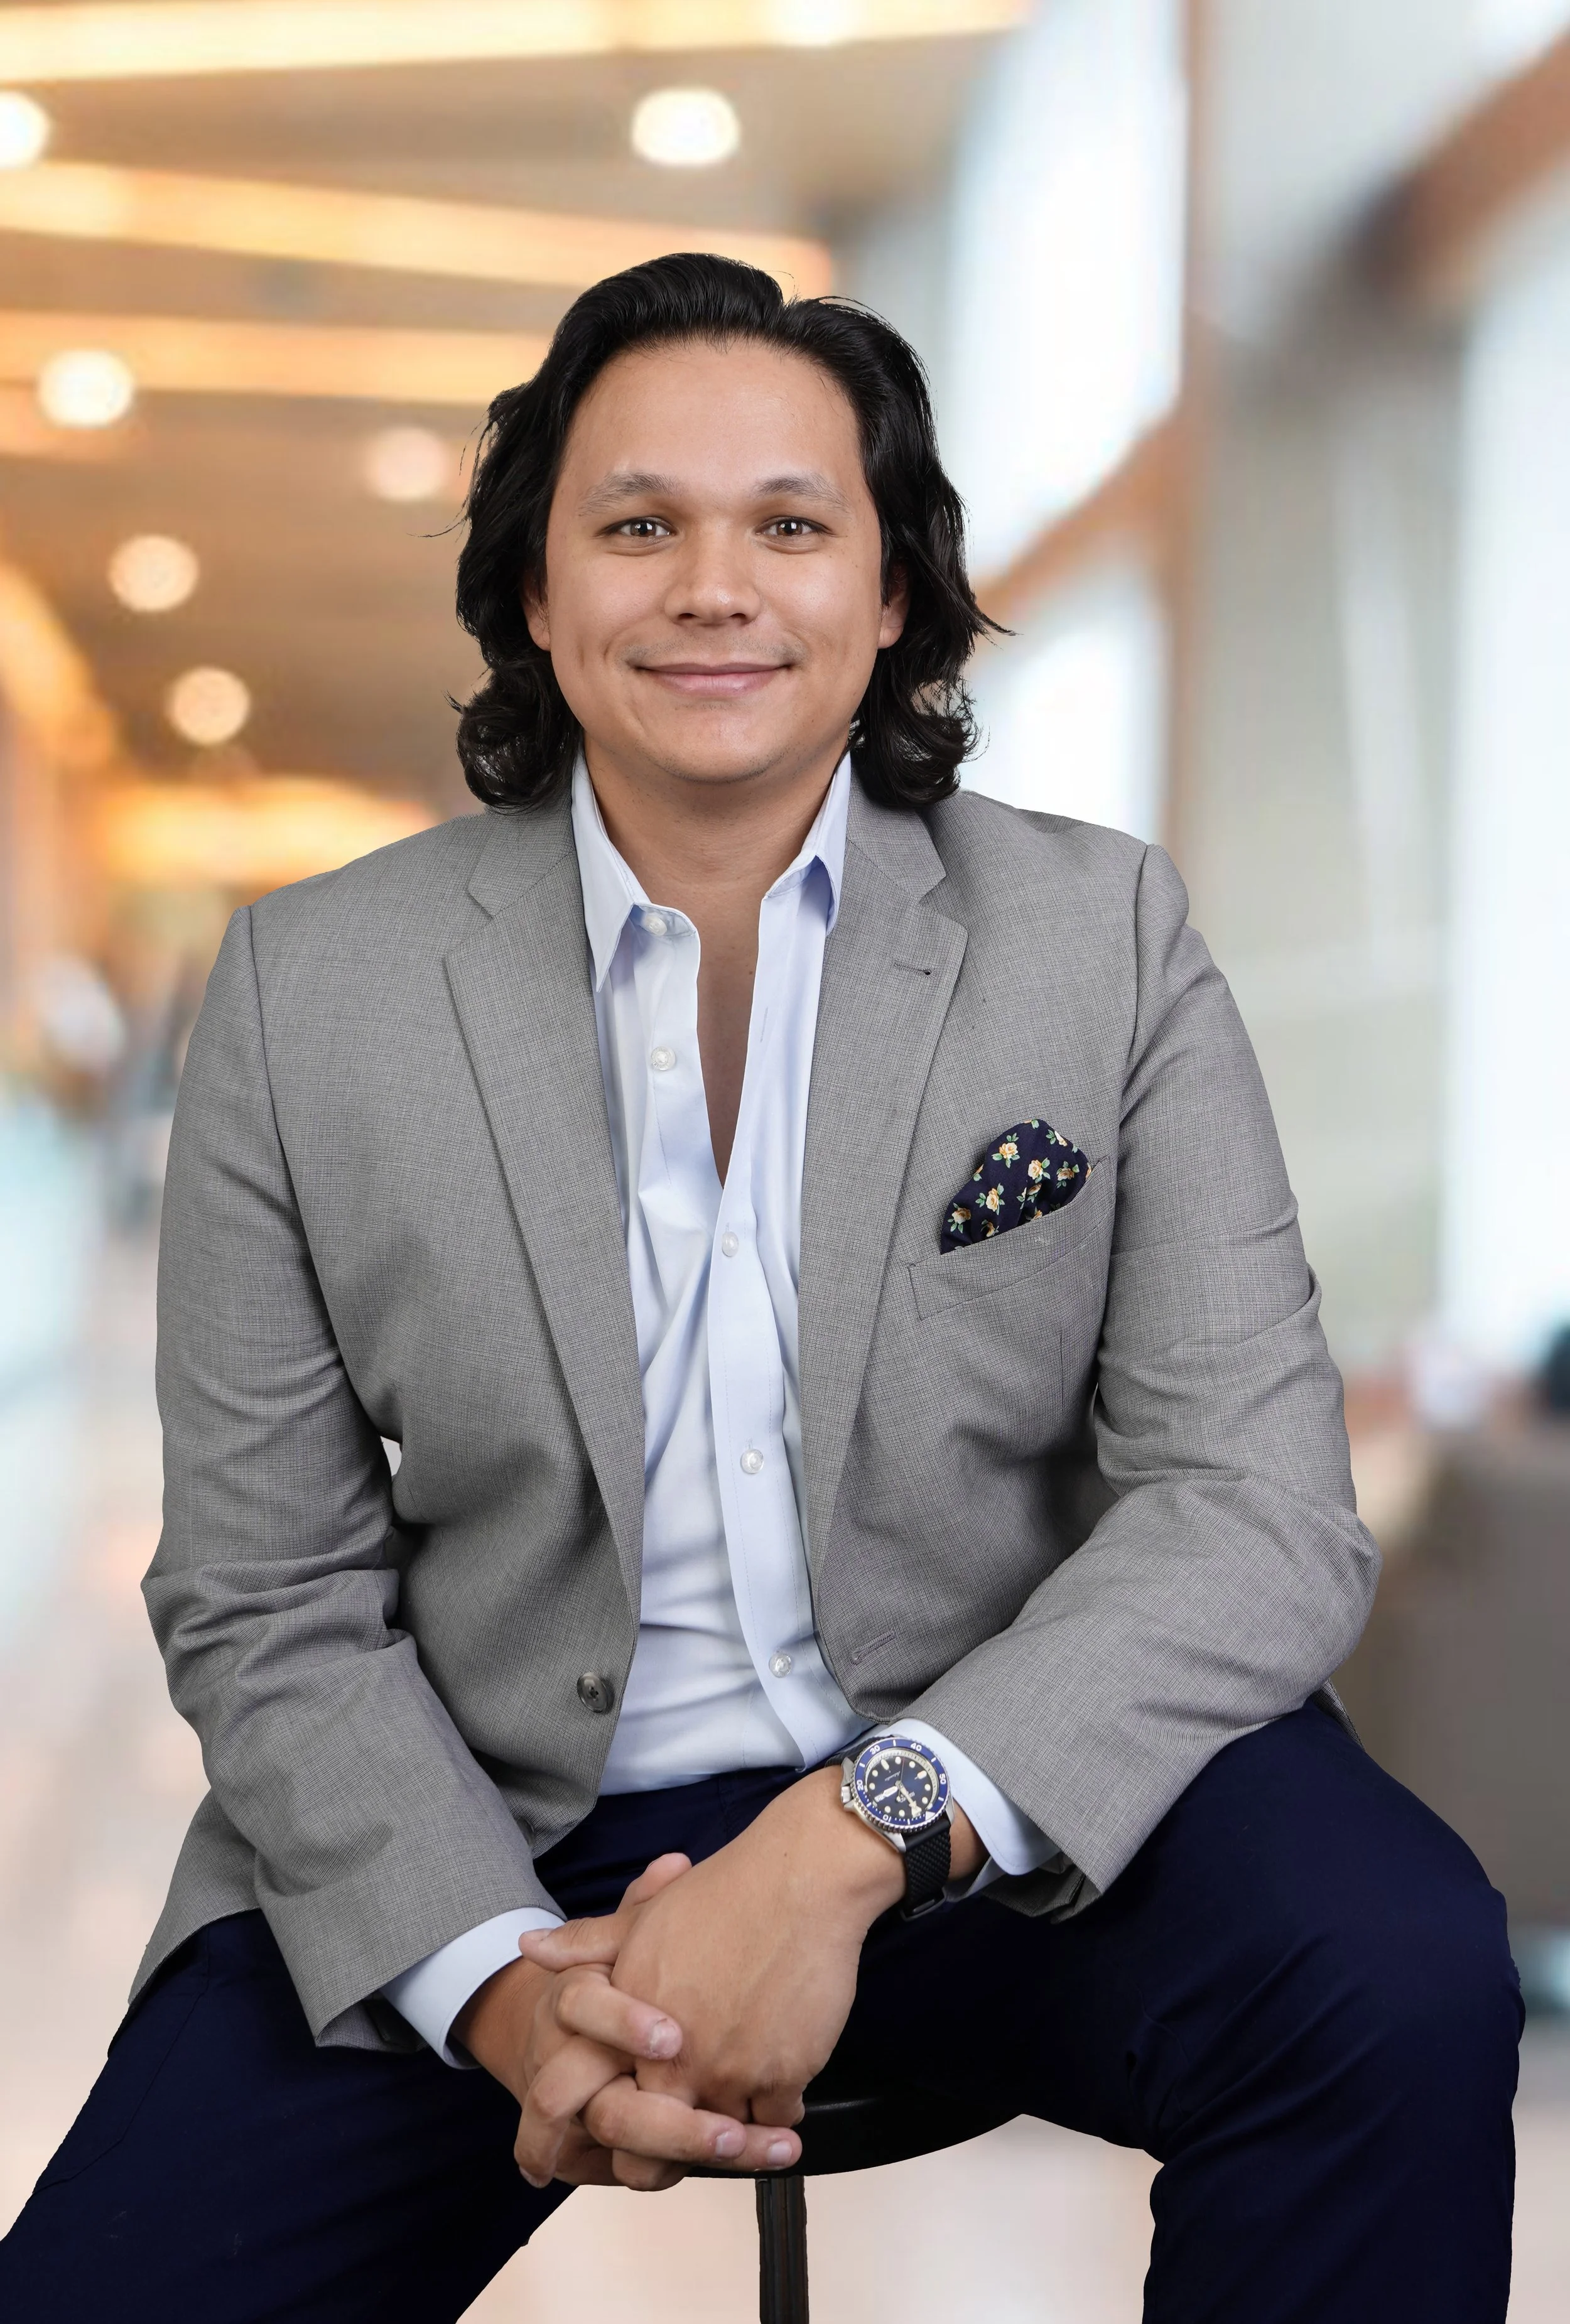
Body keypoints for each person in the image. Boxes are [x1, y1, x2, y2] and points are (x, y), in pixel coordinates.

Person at [0, 255, 1519, 2322]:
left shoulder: (1096, 935)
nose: (714, 586)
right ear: (535, 592)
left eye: (790, 525)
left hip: (1001, 1790)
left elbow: (1256, 1505)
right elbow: (265, 1591)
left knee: (1396, 1976)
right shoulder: (312, 993)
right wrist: (497, 1987)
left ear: (889, 591)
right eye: (638, 525)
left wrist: (842, 1842)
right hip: (498, 1820)